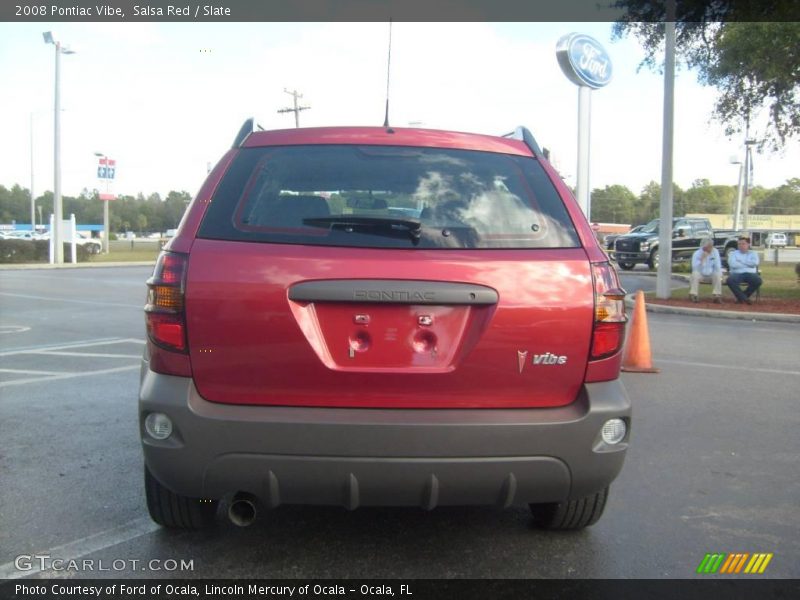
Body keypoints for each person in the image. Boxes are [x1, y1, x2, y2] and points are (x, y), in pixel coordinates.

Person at [726, 235, 762, 304]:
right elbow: (733, 265)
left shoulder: (753, 253)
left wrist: (741, 261)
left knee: (758, 280)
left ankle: (741, 298)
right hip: (737, 273)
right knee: (730, 280)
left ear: (748, 244)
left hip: (750, 274)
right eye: (739, 244)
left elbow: (755, 263)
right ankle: (745, 299)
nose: (741, 245)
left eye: (743, 244)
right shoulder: (733, 254)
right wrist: (747, 264)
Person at [689, 237, 722, 303]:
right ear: (704, 247)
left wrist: (719, 273)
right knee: (694, 274)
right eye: (709, 246)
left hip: (711, 273)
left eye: (711, 246)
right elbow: (694, 267)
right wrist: (702, 259)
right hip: (700, 273)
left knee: (717, 274)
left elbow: (718, 266)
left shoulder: (715, 252)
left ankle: (716, 295)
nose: (711, 248)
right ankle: (693, 295)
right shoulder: (696, 253)